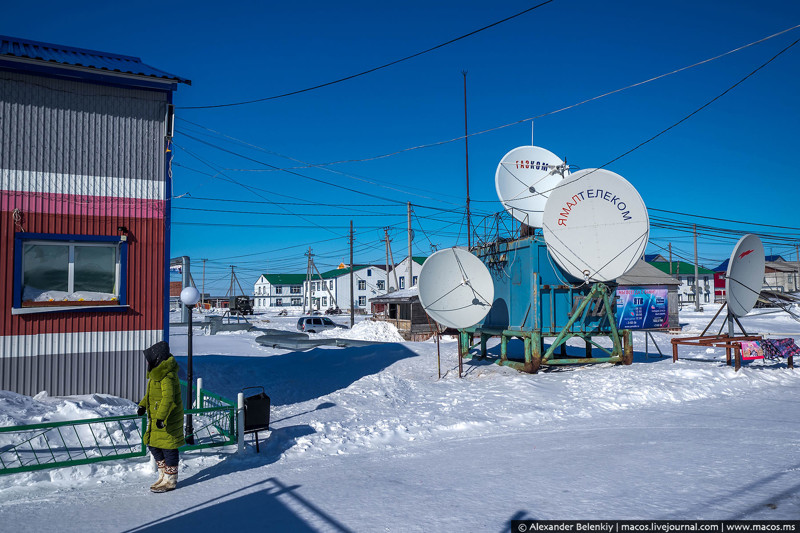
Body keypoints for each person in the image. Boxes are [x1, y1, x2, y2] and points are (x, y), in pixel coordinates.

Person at [137, 341, 185, 493]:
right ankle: (163, 474)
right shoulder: (156, 374)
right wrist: (143, 405)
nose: (147, 362)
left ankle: (170, 480)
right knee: (152, 444)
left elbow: (168, 398)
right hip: (157, 416)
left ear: (157, 358)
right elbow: (150, 394)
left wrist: (161, 418)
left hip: (167, 419)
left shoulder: (167, 376)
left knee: (169, 447)